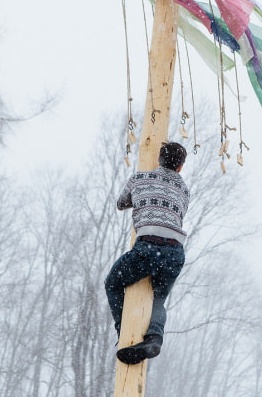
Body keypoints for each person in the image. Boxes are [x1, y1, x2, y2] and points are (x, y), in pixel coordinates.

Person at [105, 141, 190, 365]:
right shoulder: (184, 190)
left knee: (113, 283)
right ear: (180, 167)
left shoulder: (139, 178)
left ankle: (124, 330)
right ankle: (154, 337)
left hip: (149, 245)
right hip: (175, 251)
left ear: (159, 159)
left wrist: (141, 197)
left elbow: (121, 203)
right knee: (158, 297)